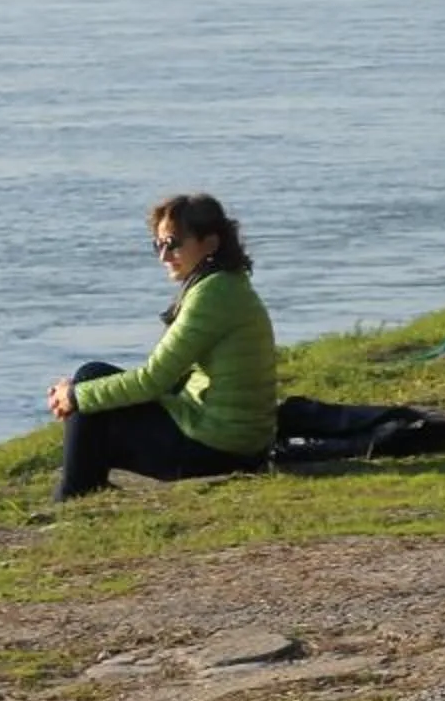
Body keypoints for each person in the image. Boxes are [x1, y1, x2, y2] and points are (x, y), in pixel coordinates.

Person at [47, 193, 276, 502]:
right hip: (235, 439)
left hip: (221, 447)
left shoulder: (213, 294)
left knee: (89, 384)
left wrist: (74, 395)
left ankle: (72, 496)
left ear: (209, 243)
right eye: (159, 244)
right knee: (93, 378)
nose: (164, 256)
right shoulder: (223, 284)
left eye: (174, 244)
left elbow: (155, 379)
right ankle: (82, 490)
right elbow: (171, 378)